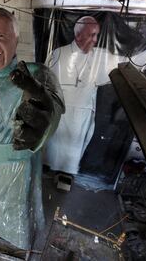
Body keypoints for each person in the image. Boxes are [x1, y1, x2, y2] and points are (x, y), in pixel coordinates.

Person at [0, 8, 64, 250]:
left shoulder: (37, 75)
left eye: (1, 36)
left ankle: (22, 242)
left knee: (18, 212)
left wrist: (42, 107)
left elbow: (53, 109)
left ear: (16, 39)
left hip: (17, 165)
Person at [44, 16, 118, 175]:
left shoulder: (100, 57)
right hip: (58, 113)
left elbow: (125, 64)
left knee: (72, 151)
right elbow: (44, 80)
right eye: (92, 35)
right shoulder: (58, 53)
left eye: (97, 35)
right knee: (53, 146)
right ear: (78, 35)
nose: (96, 40)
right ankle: (49, 169)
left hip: (81, 115)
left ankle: (66, 174)